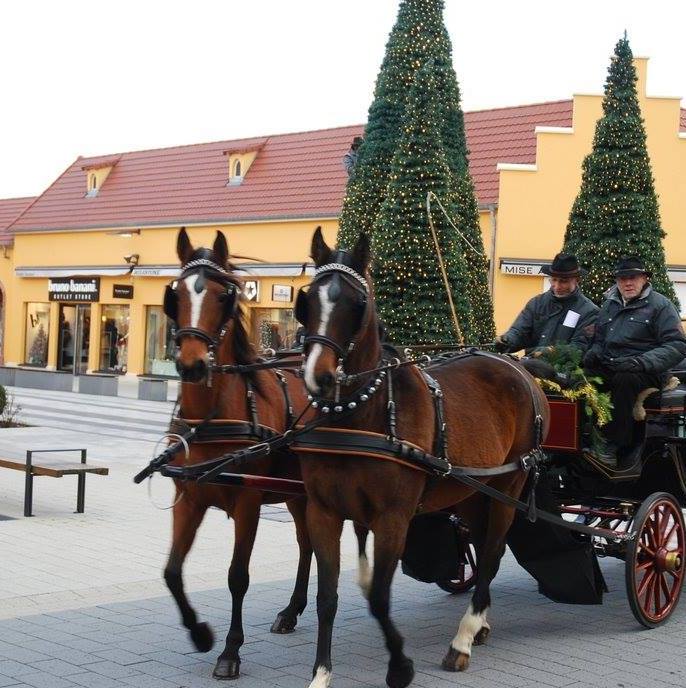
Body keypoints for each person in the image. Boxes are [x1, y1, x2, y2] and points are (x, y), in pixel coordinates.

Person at [583, 256, 686, 466]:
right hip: (612, 364)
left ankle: (613, 445)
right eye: (622, 279)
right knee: (580, 380)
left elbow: (676, 346)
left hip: (647, 371)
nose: (627, 283)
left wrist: (641, 362)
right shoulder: (609, 305)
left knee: (624, 380)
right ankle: (582, 437)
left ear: (644, 279)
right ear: (617, 282)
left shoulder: (661, 306)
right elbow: (599, 339)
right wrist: (593, 353)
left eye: (633, 278)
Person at [495, 253, 598, 355]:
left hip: (564, 370)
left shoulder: (589, 311)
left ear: (577, 281)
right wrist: (507, 340)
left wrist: (550, 352)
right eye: (554, 280)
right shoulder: (536, 303)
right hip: (529, 365)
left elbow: (579, 348)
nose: (557, 286)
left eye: (563, 281)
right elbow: (519, 331)